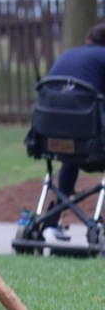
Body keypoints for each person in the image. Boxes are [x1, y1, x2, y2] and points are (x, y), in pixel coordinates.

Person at [44, 21, 105, 239]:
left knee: (71, 154)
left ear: (89, 40)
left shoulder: (68, 55)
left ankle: (50, 223)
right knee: (83, 138)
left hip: (48, 136)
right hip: (89, 141)